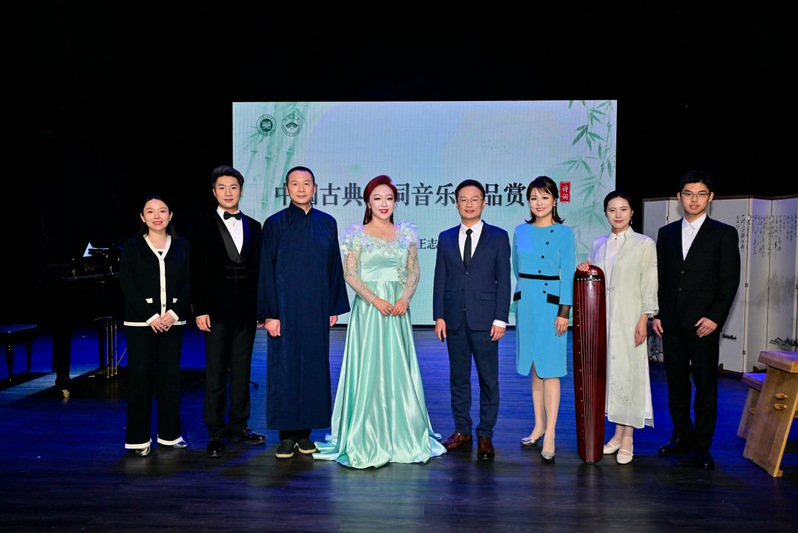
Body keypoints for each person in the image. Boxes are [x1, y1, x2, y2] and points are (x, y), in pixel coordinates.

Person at [314, 175, 446, 468]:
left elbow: (414, 271)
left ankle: (403, 431)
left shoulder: (406, 233)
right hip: (369, 310)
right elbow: (350, 274)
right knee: (369, 367)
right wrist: (375, 300)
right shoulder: (356, 234)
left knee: (397, 366)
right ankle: (366, 431)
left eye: (389, 198)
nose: (384, 204)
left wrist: (404, 299)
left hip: (397, 310)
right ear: (368, 203)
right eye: (377, 198)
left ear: (395, 202)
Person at [258, 166, 350, 459]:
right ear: (287, 189)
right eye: (295, 184)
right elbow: (265, 269)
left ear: (315, 188)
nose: (301, 188)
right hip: (284, 308)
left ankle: (306, 433)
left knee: (313, 366)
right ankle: (287, 435)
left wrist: (333, 306)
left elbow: (334, 266)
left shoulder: (327, 222)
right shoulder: (274, 223)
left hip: (316, 307)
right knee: (284, 368)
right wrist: (270, 314)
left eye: (306, 183)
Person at [653, 170, 740, 470]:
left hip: (704, 324)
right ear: (679, 197)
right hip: (671, 323)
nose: (694, 199)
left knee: (705, 386)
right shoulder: (665, 233)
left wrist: (715, 318)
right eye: (688, 194)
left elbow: (729, 281)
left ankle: (703, 445)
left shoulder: (724, 233)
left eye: (701, 194)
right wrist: (658, 314)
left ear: (710, 197)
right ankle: (681, 436)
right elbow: (661, 278)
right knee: (676, 384)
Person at [576, 190, 658, 464]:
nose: (618, 214)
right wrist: (585, 267)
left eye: (623, 209)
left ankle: (628, 438)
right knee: (610, 375)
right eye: (612, 210)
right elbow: (594, 278)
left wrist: (644, 318)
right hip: (602, 320)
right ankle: (616, 434)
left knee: (629, 374)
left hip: (629, 318)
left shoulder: (644, 244)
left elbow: (649, 282)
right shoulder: (598, 243)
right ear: (605, 213)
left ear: (632, 212)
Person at [433, 179, 512, 461]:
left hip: (486, 320)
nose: (469, 204)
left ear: (484, 203)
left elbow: (504, 280)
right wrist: (439, 315)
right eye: (463, 200)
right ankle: (462, 430)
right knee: (458, 378)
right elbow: (440, 278)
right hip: (454, 319)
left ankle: (485, 434)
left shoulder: (498, 237)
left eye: (474, 199)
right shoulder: (445, 237)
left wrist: (501, 319)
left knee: (488, 379)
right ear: (456, 204)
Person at [190, 165, 265, 458]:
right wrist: (200, 310)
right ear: (214, 192)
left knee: (242, 372)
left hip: (246, 313)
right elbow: (196, 272)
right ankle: (215, 430)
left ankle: (239, 426)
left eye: (233, 187)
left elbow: (259, 271)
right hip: (215, 313)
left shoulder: (255, 226)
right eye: (222, 187)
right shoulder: (202, 225)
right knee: (216, 374)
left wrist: (261, 309)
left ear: (241, 191)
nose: (228, 192)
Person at [120, 194, 190, 456]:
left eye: (162, 211)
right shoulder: (133, 246)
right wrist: (151, 316)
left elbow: (190, 283)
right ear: (142, 217)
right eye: (150, 211)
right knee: (140, 380)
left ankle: (170, 435)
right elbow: (127, 284)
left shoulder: (182, 246)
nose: (157, 216)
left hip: (173, 322)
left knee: (170, 379)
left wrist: (173, 313)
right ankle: (138, 440)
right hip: (141, 324)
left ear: (170, 215)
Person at [512, 176, 575, 462]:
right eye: (534, 198)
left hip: (552, 306)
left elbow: (568, 273)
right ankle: (538, 425)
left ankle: (550, 433)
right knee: (535, 366)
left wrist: (564, 311)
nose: (539, 203)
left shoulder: (564, 233)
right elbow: (516, 268)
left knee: (551, 369)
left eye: (545, 197)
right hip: (527, 304)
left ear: (555, 201)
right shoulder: (520, 231)